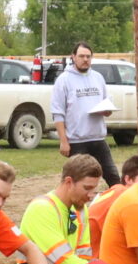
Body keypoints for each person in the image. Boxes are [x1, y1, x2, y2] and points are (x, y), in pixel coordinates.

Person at [50, 43, 118, 183]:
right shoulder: (64, 80)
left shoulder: (98, 77)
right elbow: (58, 113)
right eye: (81, 56)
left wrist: (107, 111)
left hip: (98, 138)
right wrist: (63, 141)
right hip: (77, 141)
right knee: (79, 181)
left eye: (88, 56)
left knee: (113, 177)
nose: (85, 59)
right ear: (73, 57)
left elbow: (106, 105)